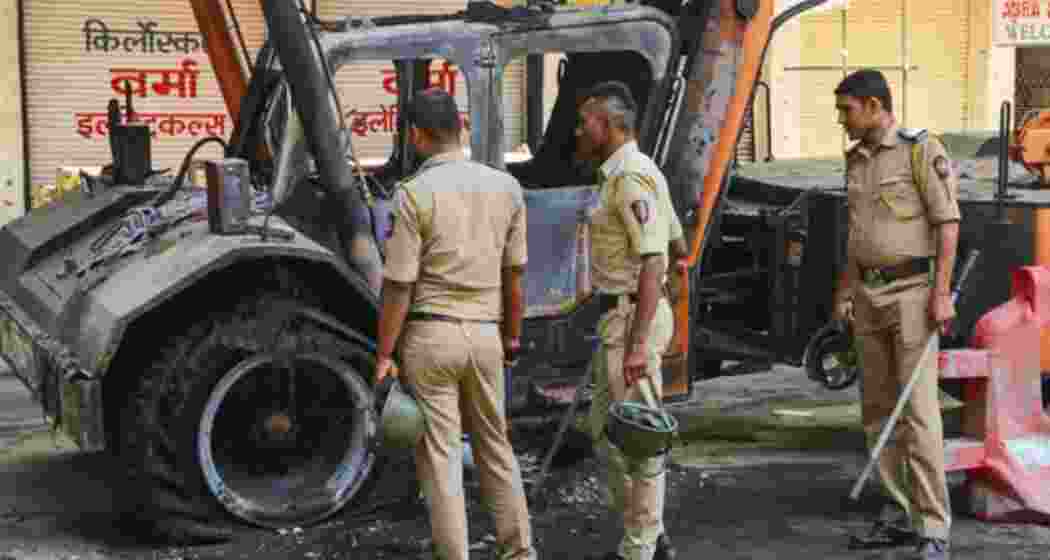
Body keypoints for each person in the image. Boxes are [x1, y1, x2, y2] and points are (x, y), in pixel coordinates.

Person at [373, 88, 537, 560]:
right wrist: (512, 335)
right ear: (461, 127)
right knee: (495, 447)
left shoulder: (414, 195)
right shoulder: (506, 188)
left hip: (432, 336)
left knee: (441, 457)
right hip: (486, 334)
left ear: (417, 136)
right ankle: (519, 552)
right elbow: (515, 274)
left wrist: (384, 353)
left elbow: (399, 284)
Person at [830, 69, 960, 560]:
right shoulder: (856, 159)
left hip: (912, 294)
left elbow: (948, 224)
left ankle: (933, 530)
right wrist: (845, 291)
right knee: (878, 412)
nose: (842, 119)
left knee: (919, 415)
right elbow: (856, 235)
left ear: (873, 105)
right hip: (868, 295)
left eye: (847, 109)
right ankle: (900, 513)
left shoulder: (919, 149)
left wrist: (941, 292)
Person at [575, 80, 685, 560]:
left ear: (610, 125)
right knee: (605, 434)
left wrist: (641, 341)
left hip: (630, 320)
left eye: (586, 122)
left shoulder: (631, 177)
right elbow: (679, 248)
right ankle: (649, 536)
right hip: (619, 319)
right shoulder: (626, 174)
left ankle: (639, 551)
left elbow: (656, 260)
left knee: (639, 442)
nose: (579, 131)